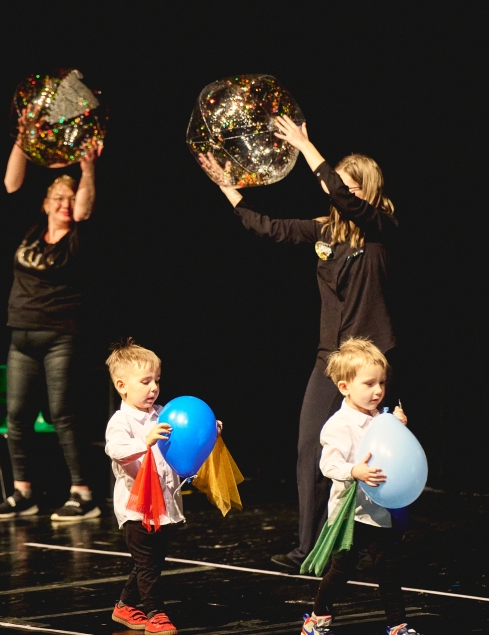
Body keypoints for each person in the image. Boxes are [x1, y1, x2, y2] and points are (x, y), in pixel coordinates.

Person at [200, 115, 400, 571]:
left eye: (345, 186)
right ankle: (308, 548)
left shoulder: (380, 226)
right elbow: (269, 227)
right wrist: (228, 189)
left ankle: (370, 545)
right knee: (310, 449)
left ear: (363, 191)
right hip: (332, 360)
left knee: (375, 454)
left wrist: (306, 146)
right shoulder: (324, 231)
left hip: (372, 362)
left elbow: (344, 199)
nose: (333, 193)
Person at [0, 105, 103, 522]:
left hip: (60, 336)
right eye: (58, 198)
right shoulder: (32, 230)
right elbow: (10, 183)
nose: (65, 204)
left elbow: (85, 209)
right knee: (16, 417)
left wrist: (87, 170)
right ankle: (23, 493)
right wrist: (23, 138)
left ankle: (83, 494)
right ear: (45, 203)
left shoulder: (78, 237)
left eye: (69, 199)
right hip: (21, 334)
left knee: (62, 414)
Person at [301, 337, 419, 635]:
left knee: (387, 568)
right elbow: (328, 466)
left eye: (381, 383)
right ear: (345, 387)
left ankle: (398, 624)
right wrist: (354, 471)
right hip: (349, 514)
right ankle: (317, 616)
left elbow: (390, 452)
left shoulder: (381, 418)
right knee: (342, 568)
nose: (378, 391)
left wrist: (397, 427)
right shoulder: (338, 425)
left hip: (377, 509)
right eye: (369, 384)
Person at [104, 339, 222, 635]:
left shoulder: (164, 413)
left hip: (163, 505)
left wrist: (208, 431)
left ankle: (124, 605)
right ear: (122, 386)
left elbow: (185, 439)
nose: (154, 388)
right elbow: (115, 449)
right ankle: (155, 613)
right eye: (145, 382)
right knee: (148, 565)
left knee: (150, 561)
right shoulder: (121, 421)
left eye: (156, 380)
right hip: (137, 507)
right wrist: (144, 441)